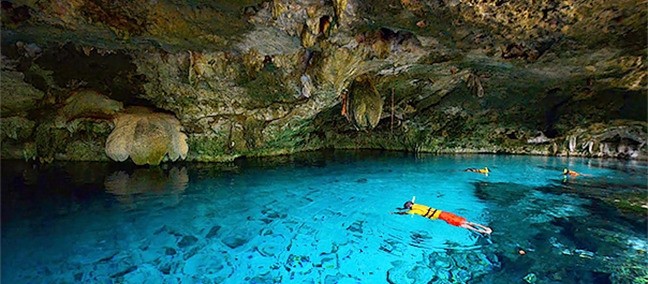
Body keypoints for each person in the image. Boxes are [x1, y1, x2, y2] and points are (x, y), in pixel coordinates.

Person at [393, 199, 492, 235]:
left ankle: (484, 231)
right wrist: (402, 209)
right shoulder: (417, 205)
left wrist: (396, 213)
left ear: (409, 207)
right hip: (444, 213)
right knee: (467, 222)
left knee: (463, 226)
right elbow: (410, 206)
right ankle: (485, 228)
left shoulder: (414, 210)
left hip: (443, 217)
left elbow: (406, 213)